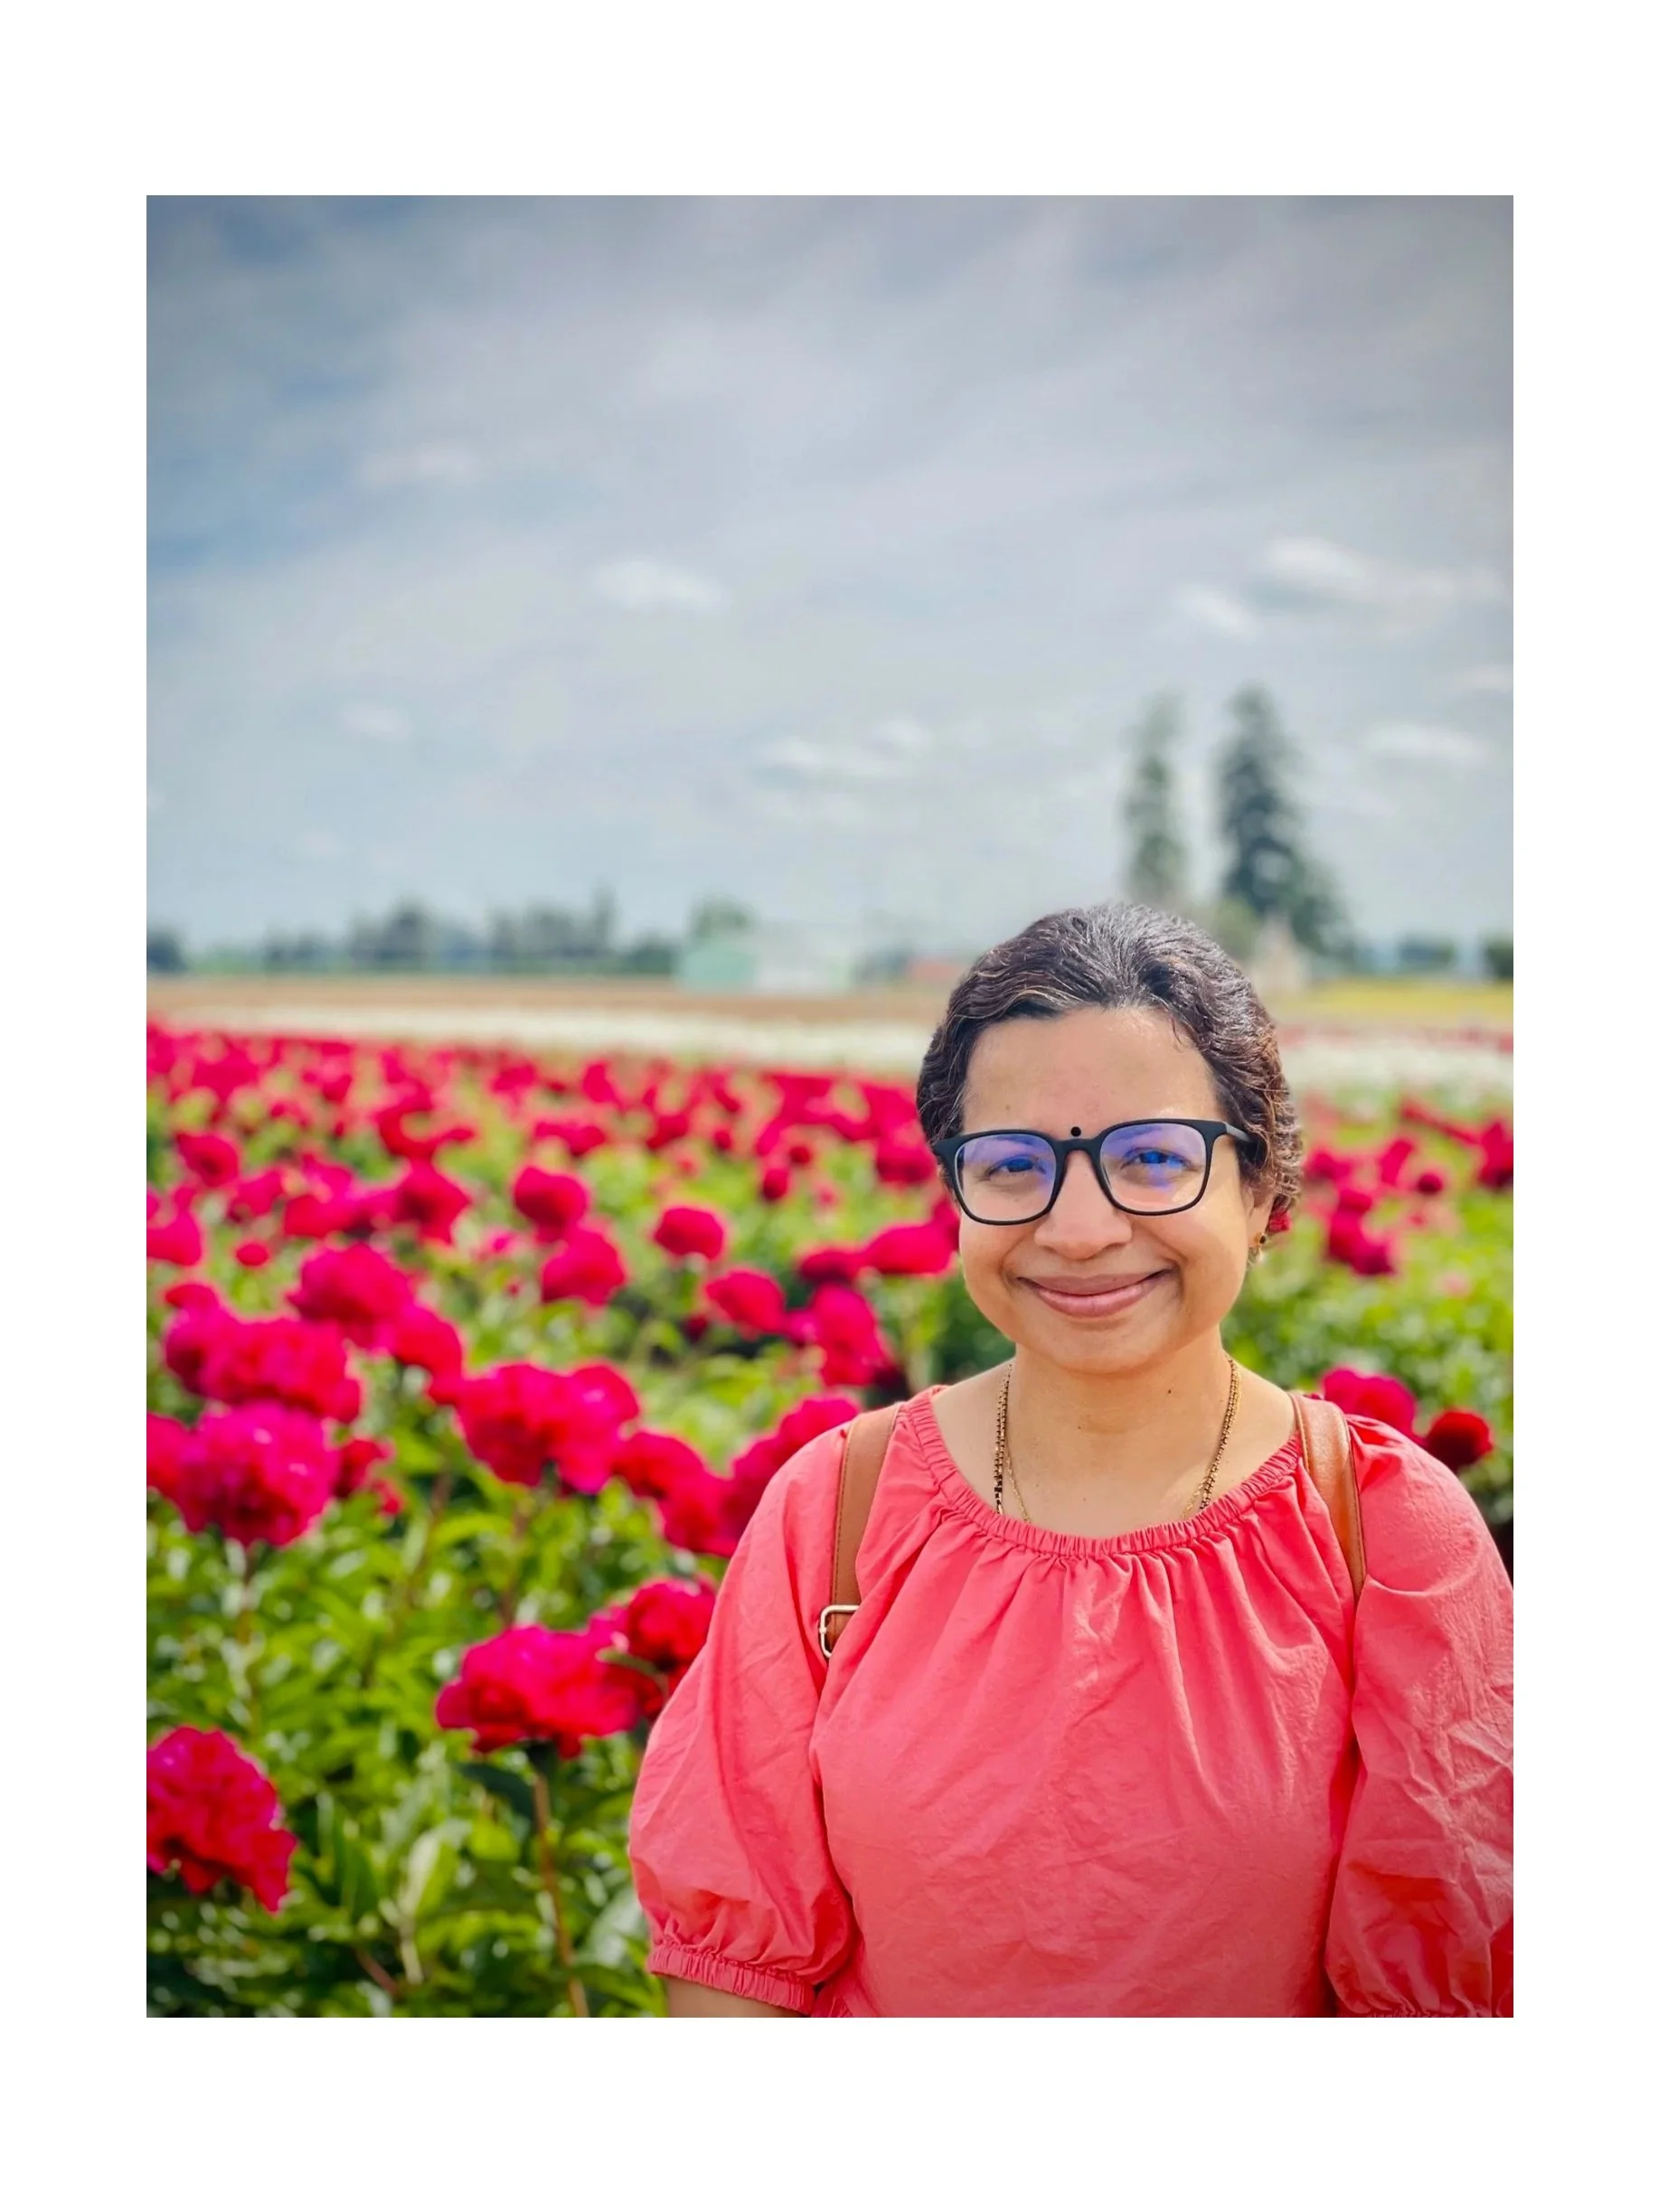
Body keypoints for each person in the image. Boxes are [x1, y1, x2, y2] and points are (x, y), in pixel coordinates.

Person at [627, 902, 1513, 2017]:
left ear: (1258, 1187)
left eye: (1152, 1157)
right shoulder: (837, 1508)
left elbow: (1449, 1989)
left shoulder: (1383, 1529)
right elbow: (732, 1978)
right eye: (1011, 1163)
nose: (1080, 1225)